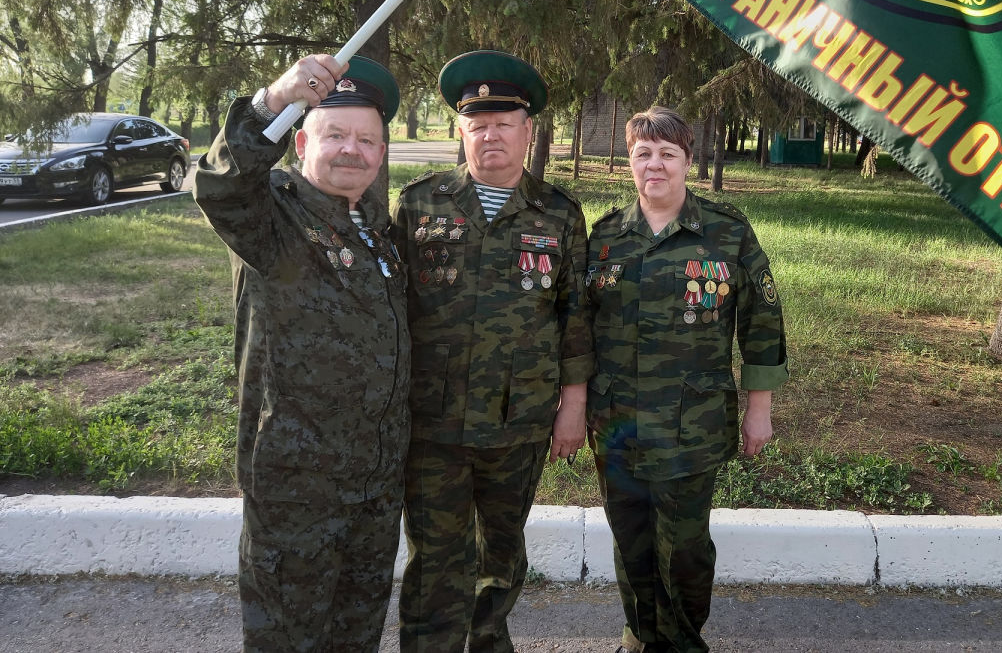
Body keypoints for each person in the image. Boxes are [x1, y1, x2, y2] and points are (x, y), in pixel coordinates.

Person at [193, 53, 410, 653]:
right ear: (299, 142)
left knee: (355, 638)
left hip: (373, 489)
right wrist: (269, 101)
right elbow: (220, 184)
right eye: (335, 133)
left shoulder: (375, 227)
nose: (352, 150)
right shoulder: (274, 216)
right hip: (298, 494)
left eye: (368, 139)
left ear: (382, 153)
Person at [389, 49, 593, 653]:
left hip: (519, 417)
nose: (491, 136)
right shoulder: (421, 203)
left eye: (504, 124)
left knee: (500, 554)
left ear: (528, 131)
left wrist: (573, 403)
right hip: (434, 419)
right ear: (461, 130)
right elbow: (395, 308)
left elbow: (574, 315)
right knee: (433, 555)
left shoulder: (559, 213)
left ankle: (486, 644)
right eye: (478, 124)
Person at [586, 105, 788, 653]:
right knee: (629, 537)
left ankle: (681, 640)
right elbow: (577, 328)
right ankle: (639, 634)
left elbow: (763, 320)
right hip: (616, 422)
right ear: (630, 161)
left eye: (667, 154)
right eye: (643, 153)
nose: (655, 165)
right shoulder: (605, 237)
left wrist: (759, 408)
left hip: (690, 423)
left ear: (687, 161)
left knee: (685, 546)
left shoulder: (726, 232)